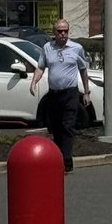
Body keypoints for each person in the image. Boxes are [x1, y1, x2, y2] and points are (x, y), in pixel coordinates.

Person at [30, 19, 90, 174]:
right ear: (54, 32)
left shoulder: (77, 48)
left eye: (65, 31)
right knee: (55, 127)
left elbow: (83, 71)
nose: (63, 34)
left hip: (70, 93)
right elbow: (40, 67)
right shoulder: (47, 48)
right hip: (54, 94)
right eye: (59, 31)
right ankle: (57, 159)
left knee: (67, 126)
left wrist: (87, 92)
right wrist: (33, 83)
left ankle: (67, 160)